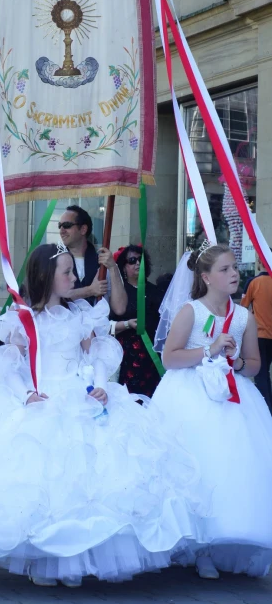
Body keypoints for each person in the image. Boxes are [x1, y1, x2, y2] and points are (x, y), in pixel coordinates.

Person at [0, 242, 206, 586]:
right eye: (67, 272)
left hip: (79, 395)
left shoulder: (79, 315)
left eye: (73, 271)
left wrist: (98, 383)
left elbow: (91, 356)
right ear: (47, 276)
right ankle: (41, 556)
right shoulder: (24, 319)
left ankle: (77, 555)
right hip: (43, 396)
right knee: (41, 478)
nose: (75, 277)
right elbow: (10, 364)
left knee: (86, 478)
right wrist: (26, 393)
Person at [151, 243, 272, 579]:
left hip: (233, 396)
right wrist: (209, 350)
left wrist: (235, 361)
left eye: (234, 267)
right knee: (197, 462)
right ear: (205, 277)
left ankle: (224, 541)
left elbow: (254, 365)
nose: (234, 274)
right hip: (189, 393)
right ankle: (197, 546)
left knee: (234, 466)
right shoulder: (191, 311)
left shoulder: (244, 316)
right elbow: (170, 358)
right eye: (225, 269)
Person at [110, 245, 163, 398]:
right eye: (132, 261)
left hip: (152, 354)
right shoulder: (119, 291)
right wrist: (128, 324)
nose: (138, 264)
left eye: (141, 260)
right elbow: (106, 325)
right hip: (127, 356)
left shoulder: (155, 290)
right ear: (123, 267)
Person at [57, 205, 127, 314]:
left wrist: (113, 268)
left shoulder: (104, 262)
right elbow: (51, 299)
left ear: (83, 229)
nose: (61, 231)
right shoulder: (54, 262)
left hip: (96, 330)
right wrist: (90, 290)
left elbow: (120, 309)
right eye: (59, 226)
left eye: (66, 225)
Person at [240, 256, 272, 413]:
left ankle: (266, 410)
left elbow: (242, 308)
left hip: (261, 336)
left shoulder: (253, 283)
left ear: (260, 262)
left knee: (261, 375)